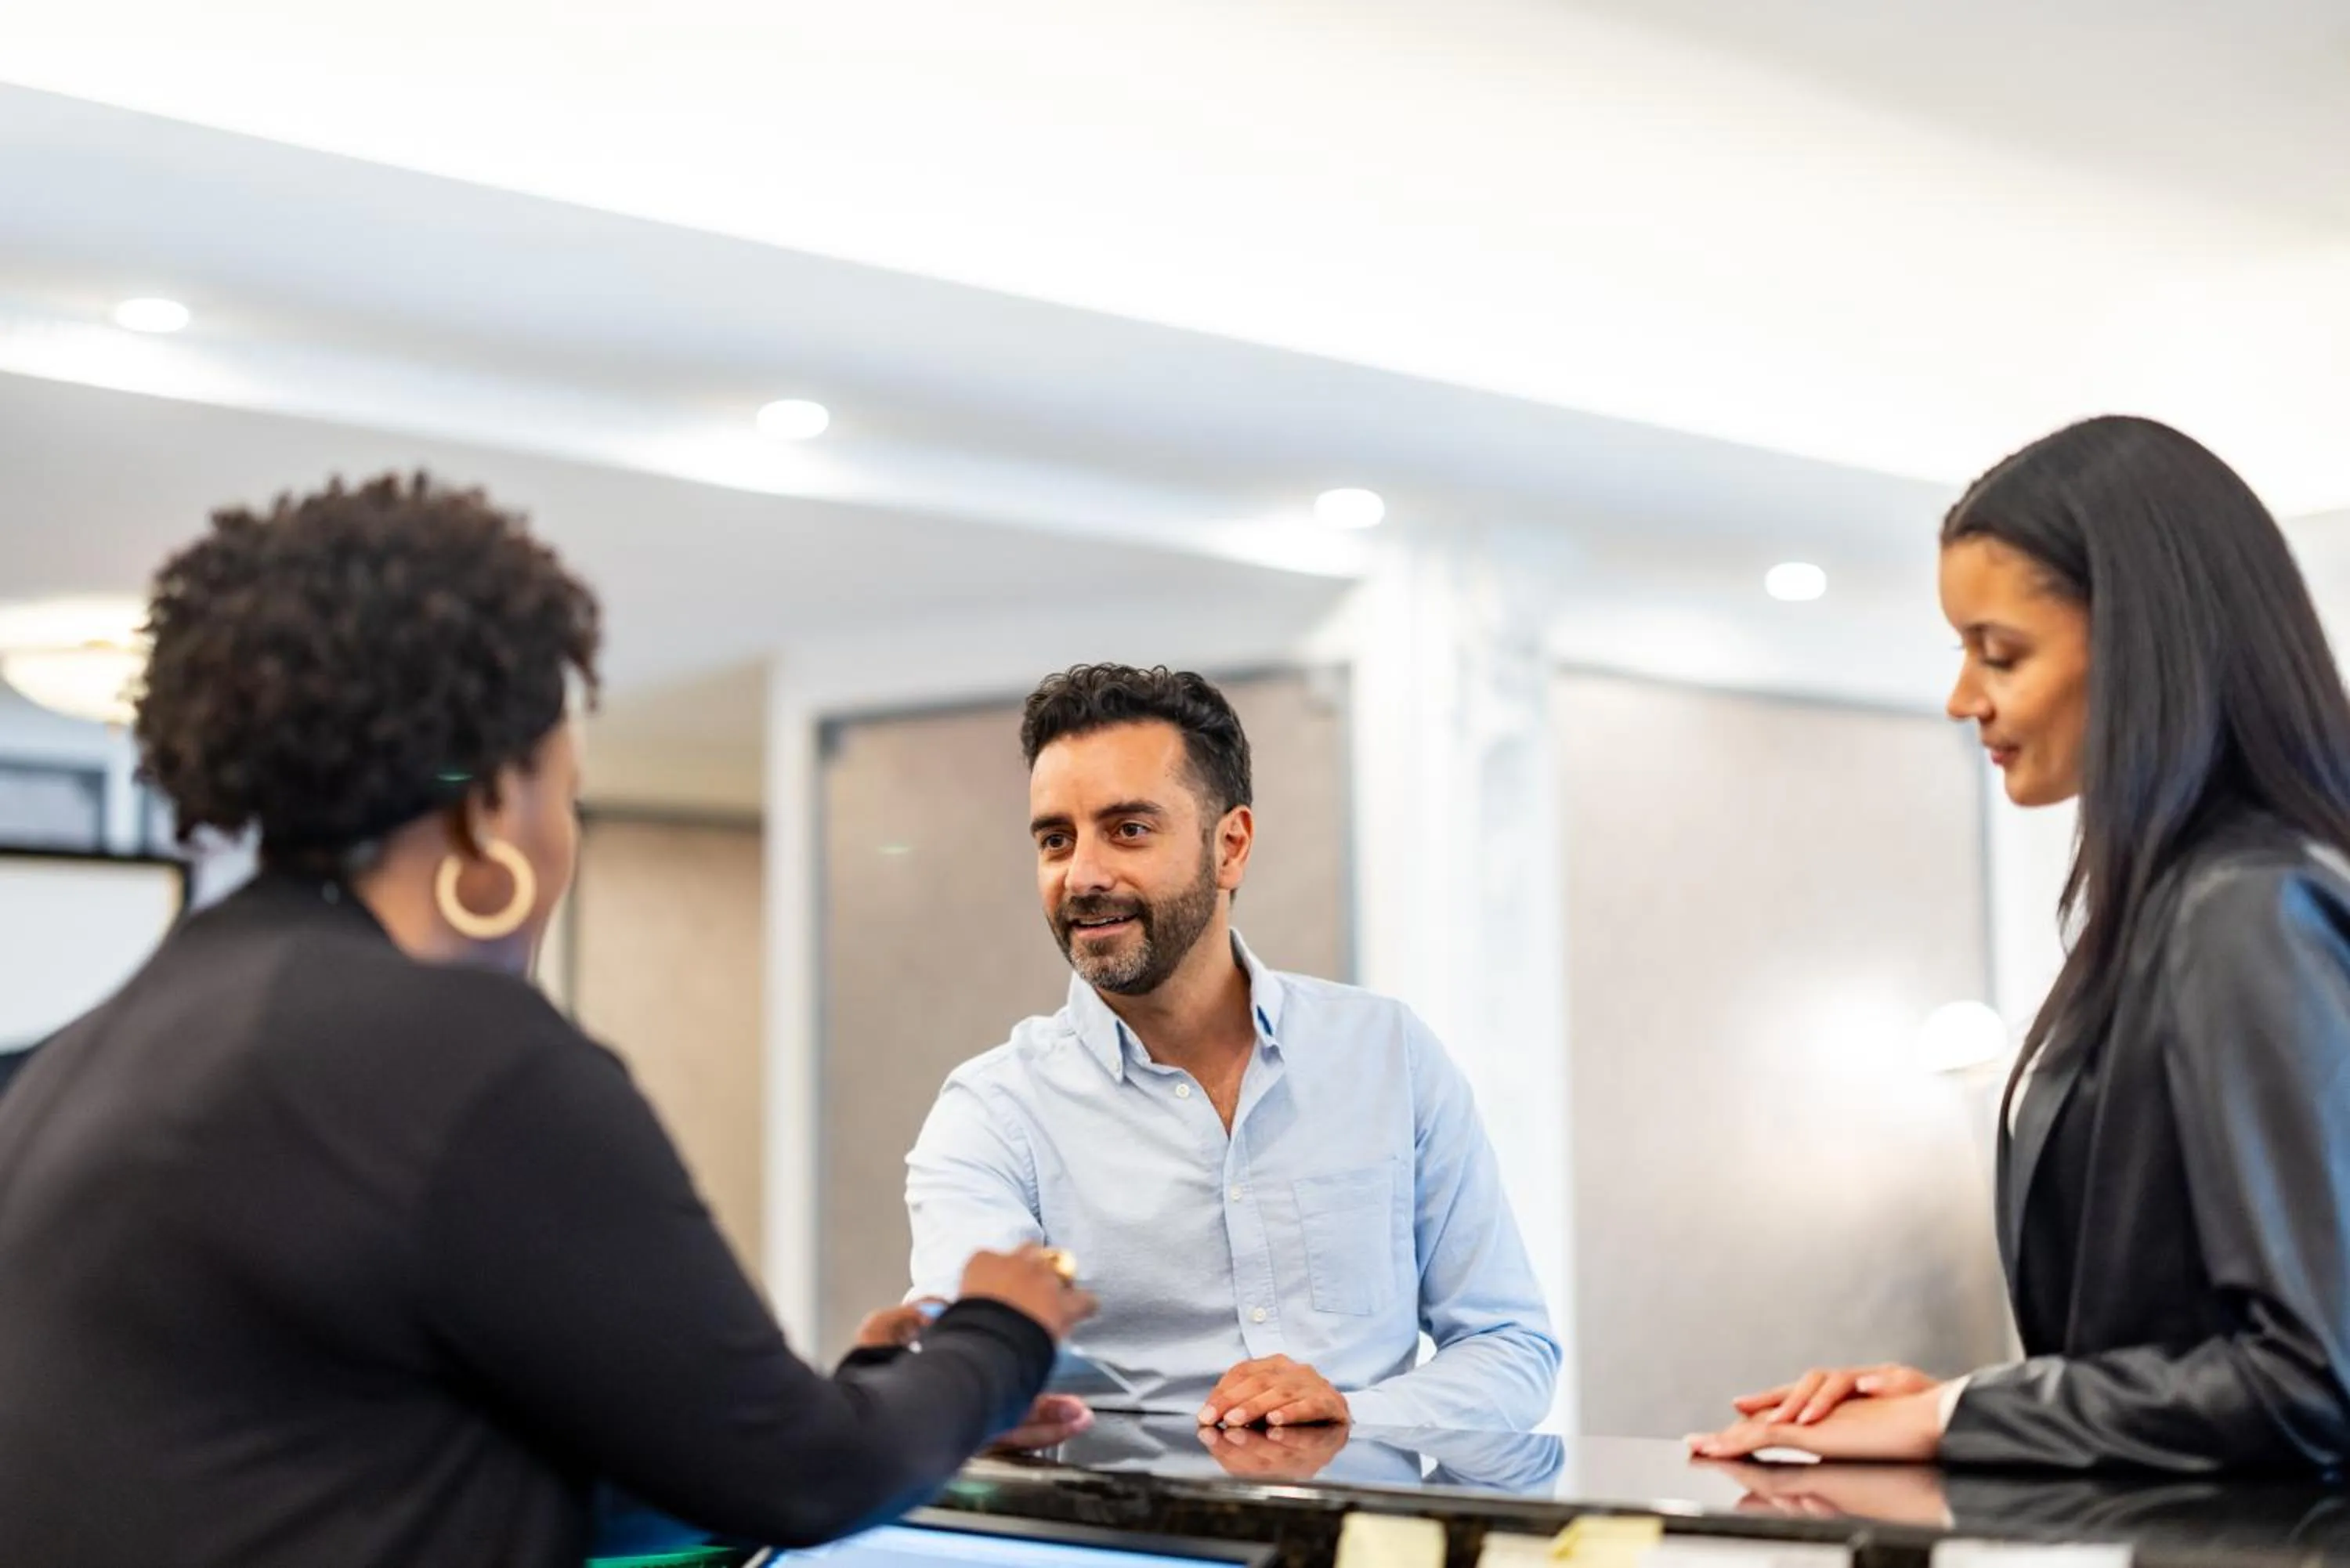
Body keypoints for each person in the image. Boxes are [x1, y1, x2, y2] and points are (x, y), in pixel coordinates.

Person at [0, 475, 1094, 1568]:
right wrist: (1000, 1325)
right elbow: (806, 1475)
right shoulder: (462, 1053)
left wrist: (894, 1399)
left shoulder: (86, 1053)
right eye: (565, 789)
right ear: (490, 807)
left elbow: (407, 1458)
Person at [1692, 416, 2350, 1472]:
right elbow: (2177, 1348)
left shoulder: (2247, 905)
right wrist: (1979, 1399)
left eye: (1999, 652)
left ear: (2146, 644)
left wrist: (1958, 1414)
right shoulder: (2180, 904)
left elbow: (2315, 1383)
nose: (1964, 699)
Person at [902, 664, 1559, 1432]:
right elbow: (965, 1360)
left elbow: (1511, 1348)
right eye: (1056, 839)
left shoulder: (1391, 1057)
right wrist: (975, 1398)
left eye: (1128, 830)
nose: (1082, 875)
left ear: (1232, 846)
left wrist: (1355, 1413)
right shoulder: (993, 1112)